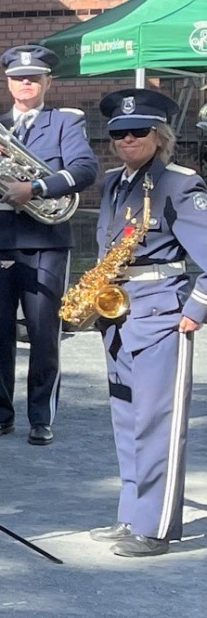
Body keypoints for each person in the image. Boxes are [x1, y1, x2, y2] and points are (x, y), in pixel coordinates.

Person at [89, 87, 206, 558]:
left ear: (160, 135)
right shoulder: (113, 182)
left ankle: (155, 526)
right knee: (126, 420)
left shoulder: (179, 184)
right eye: (119, 133)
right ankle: (132, 513)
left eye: (138, 131)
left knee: (158, 423)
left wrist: (195, 309)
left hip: (161, 314)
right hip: (119, 313)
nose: (128, 140)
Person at [0, 45, 97, 445]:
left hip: (45, 240)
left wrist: (36, 187)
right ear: (8, 83)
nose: (26, 83)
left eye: (34, 78)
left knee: (43, 331)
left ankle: (41, 416)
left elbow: (84, 169)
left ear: (47, 82)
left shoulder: (64, 122)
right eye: (18, 78)